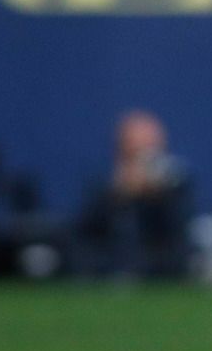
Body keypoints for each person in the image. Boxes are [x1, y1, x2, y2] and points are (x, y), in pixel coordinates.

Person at [74, 110, 193, 281]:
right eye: (138, 154)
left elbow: (182, 244)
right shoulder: (104, 191)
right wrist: (120, 197)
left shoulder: (177, 188)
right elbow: (82, 241)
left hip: (162, 272)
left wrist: (158, 197)